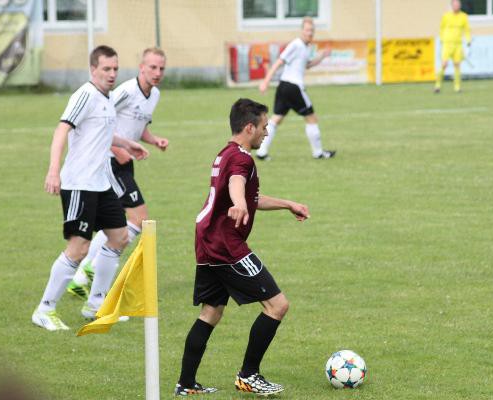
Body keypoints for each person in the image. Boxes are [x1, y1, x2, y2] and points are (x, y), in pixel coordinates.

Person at [173, 98, 310, 396]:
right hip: (226, 246)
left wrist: (288, 204)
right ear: (249, 127)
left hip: (207, 241)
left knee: (211, 313)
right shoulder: (242, 159)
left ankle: (186, 384)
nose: (266, 133)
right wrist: (238, 203)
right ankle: (249, 376)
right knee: (277, 305)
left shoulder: (226, 153)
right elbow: (237, 185)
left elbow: (251, 198)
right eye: (264, 127)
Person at [31, 45, 149, 331]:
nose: (112, 74)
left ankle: (96, 304)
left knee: (120, 237)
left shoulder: (107, 98)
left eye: (115, 69)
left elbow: (102, 133)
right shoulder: (84, 95)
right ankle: (45, 309)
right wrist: (53, 170)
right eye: (106, 69)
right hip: (79, 184)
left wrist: (126, 143)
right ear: (93, 69)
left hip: (101, 184)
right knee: (79, 248)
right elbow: (62, 130)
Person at [66, 47, 169, 300]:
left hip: (125, 161)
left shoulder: (154, 94)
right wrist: (116, 148)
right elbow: (100, 121)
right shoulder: (125, 91)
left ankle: (82, 276)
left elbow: (139, 126)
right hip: (110, 161)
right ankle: (89, 269)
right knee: (138, 218)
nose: (157, 72)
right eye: (152, 67)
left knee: (116, 222)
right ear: (141, 67)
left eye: (161, 68)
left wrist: (154, 140)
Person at [257, 16, 335, 160]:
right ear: (302, 30)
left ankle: (261, 152)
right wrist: (266, 81)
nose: (310, 33)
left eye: (312, 30)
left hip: (284, 86)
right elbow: (279, 61)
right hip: (293, 87)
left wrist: (322, 56)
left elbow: (307, 65)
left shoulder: (306, 47)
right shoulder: (296, 44)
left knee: (276, 119)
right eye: (307, 30)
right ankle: (318, 153)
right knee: (312, 118)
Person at [434, 0, 471, 93]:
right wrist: (442, 39)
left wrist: (468, 40)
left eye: (458, 4)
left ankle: (457, 87)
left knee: (457, 65)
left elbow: (467, 30)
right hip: (447, 44)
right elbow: (441, 28)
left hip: (458, 44)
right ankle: (437, 85)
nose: (456, 6)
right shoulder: (446, 16)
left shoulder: (463, 16)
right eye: (455, 5)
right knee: (444, 64)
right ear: (451, 6)